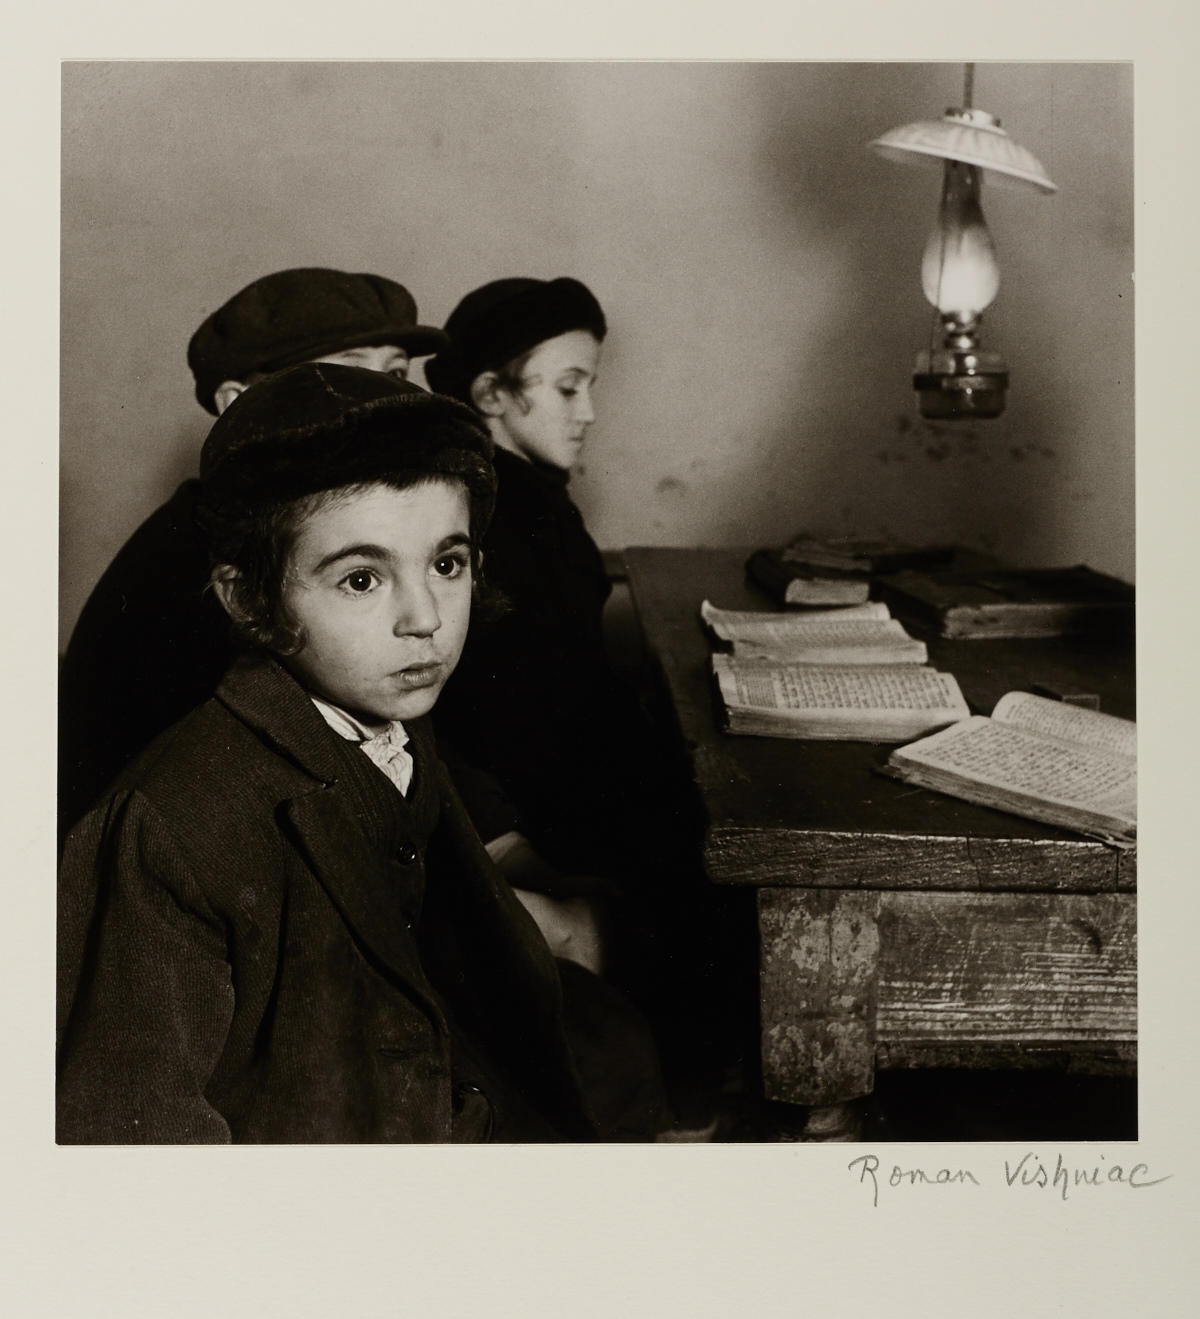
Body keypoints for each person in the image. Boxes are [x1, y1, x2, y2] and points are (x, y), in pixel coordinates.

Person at [56, 363, 665, 1143]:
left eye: (447, 564)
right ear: (247, 599)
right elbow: (132, 1140)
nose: (424, 618)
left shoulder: (390, 725)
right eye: (361, 579)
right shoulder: (168, 826)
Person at [424, 280, 750, 1092]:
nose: (589, 411)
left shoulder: (535, 500)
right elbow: (513, 722)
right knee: (712, 861)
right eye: (568, 386)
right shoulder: (492, 515)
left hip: (565, 778)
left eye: (590, 385)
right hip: (533, 804)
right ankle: (693, 1095)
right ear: (492, 396)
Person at [59, 268, 447, 835]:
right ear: (237, 402)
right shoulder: (197, 559)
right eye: (343, 375)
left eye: (395, 374)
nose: (383, 402)